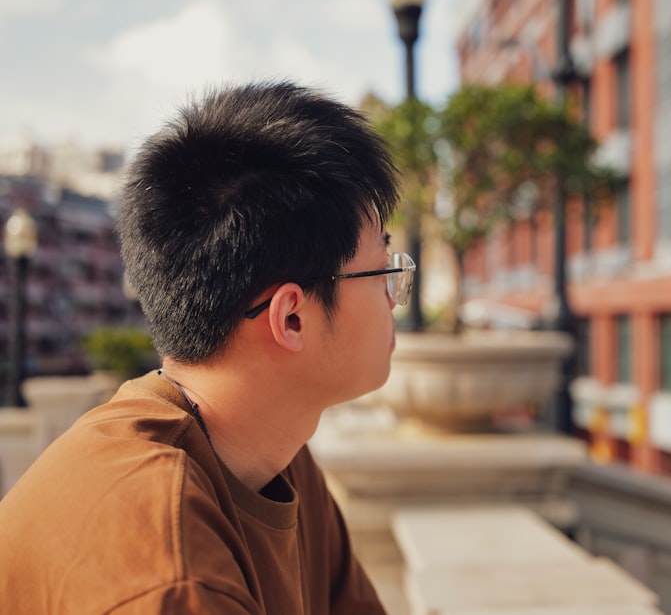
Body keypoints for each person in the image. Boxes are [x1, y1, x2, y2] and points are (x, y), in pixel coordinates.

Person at [0, 81, 413, 613]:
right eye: (384, 269)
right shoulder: (169, 574)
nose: (395, 297)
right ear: (291, 317)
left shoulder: (275, 457)